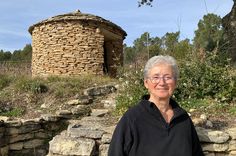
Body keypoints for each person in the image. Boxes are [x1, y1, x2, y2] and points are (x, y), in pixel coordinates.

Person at [108, 55, 204, 156]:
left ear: (175, 83)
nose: (162, 82)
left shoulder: (183, 118)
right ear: (146, 83)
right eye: (156, 77)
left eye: (168, 77)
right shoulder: (132, 119)